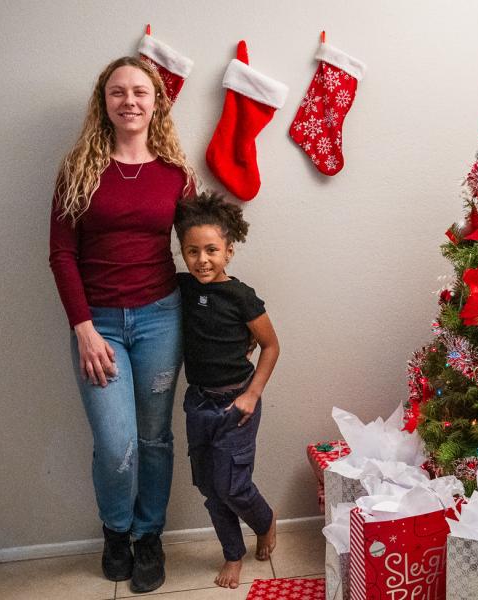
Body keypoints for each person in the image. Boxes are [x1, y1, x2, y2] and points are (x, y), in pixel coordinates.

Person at [49, 57, 196, 593]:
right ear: (103, 102)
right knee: (118, 445)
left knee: (154, 439)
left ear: (156, 101)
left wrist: (227, 317)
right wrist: (83, 327)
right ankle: (116, 532)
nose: (129, 100)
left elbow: (202, 249)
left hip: (162, 319)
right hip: (100, 325)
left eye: (139, 91)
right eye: (117, 92)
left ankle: (148, 537)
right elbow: (61, 255)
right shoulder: (78, 170)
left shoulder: (177, 175)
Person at [174, 192, 279, 589]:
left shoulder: (242, 296)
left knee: (232, 484)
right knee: (209, 487)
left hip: (236, 403)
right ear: (182, 253)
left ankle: (266, 521)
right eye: (192, 251)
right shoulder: (182, 288)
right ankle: (232, 554)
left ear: (229, 252)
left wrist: (250, 395)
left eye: (212, 250)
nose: (202, 259)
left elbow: (271, 346)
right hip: (198, 402)